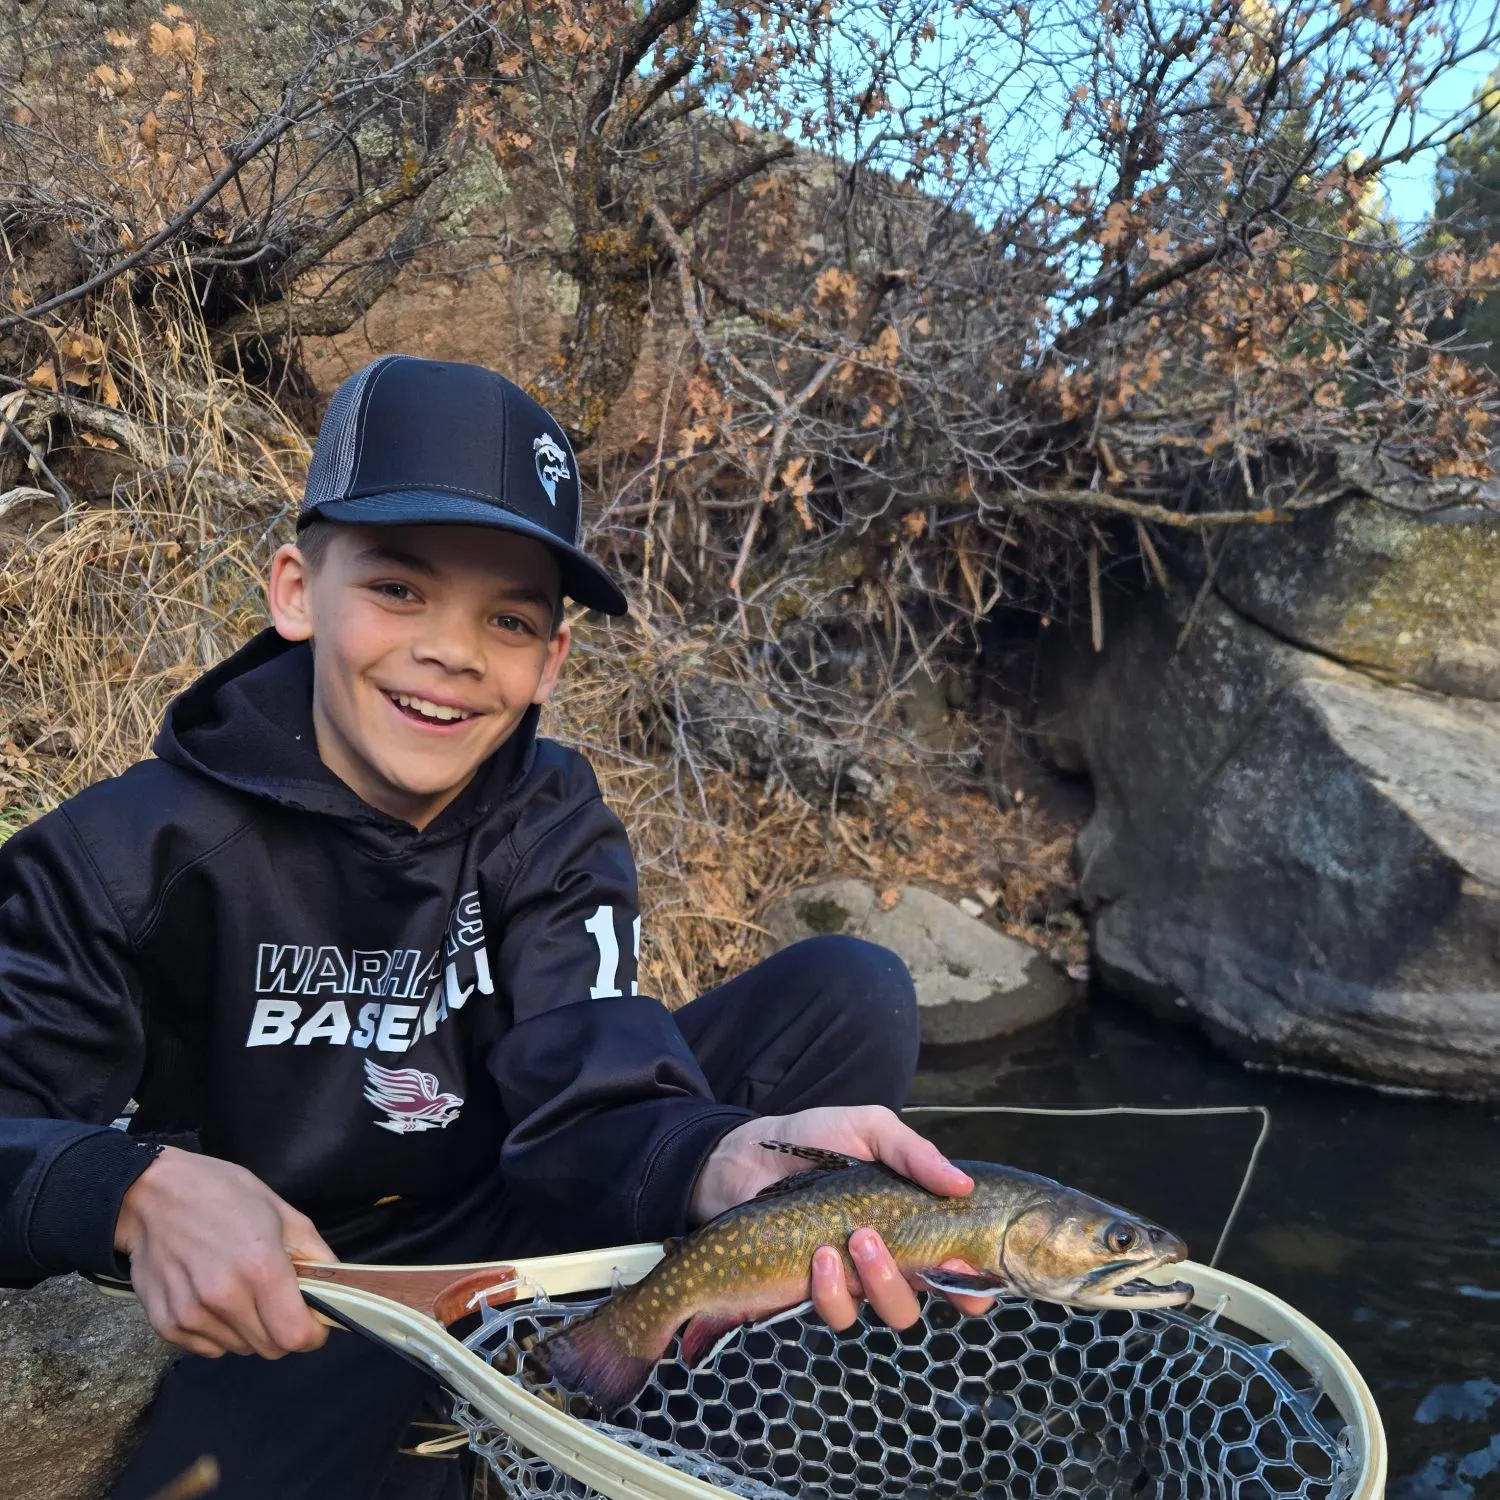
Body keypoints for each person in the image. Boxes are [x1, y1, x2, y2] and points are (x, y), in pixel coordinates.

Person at [0, 355, 990, 1500]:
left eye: (510, 618)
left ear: (550, 664)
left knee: (849, 992)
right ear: (294, 591)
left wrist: (719, 1157)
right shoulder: (123, 852)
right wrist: (131, 1189)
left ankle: (673, 1379)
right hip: (314, 1268)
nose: (455, 651)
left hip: (522, 1182)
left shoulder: (550, 816)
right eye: (399, 590)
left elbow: (591, 1085)